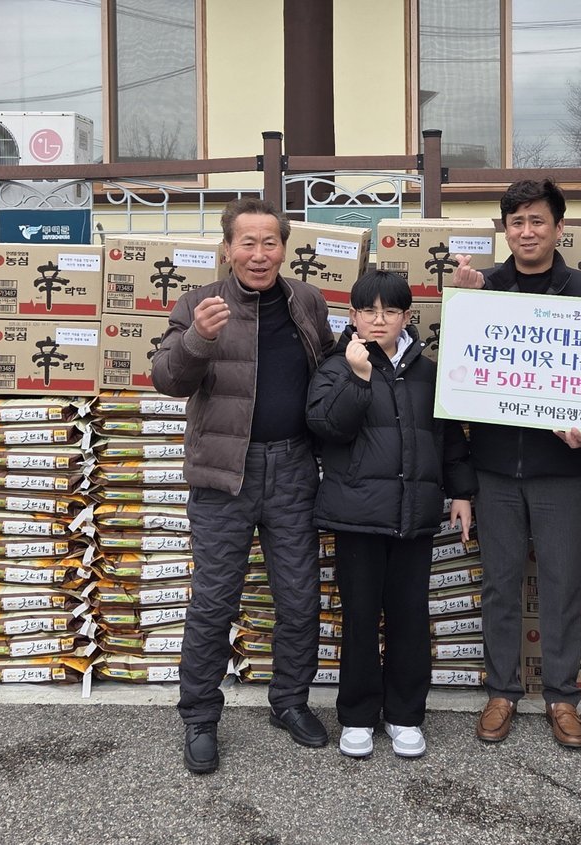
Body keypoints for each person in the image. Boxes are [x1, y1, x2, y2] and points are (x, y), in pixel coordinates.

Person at [152, 197, 336, 774]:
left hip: (294, 469)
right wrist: (197, 340)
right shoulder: (199, 304)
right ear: (227, 248)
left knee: (299, 597)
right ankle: (200, 717)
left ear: (284, 248)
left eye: (269, 242)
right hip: (223, 474)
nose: (259, 254)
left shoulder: (307, 301)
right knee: (214, 601)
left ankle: (291, 701)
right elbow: (167, 379)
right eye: (247, 243)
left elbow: (329, 370)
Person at [453, 178, 581, 749]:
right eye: (516, 222)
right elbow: (460, 379)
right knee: (499, 585)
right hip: (494, 468)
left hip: (559, 471)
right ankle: (501, 691)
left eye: (537, 220)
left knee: (562, 584)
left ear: (559, 227)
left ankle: (562, 697)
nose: (526, 231)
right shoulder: (482, 286)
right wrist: (466, 302)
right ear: (505, 230)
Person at [306, 270, 476, 759]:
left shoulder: (428, 371)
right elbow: (326, 427)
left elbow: (448, 437)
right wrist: (359, 378)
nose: (379, 320)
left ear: (407, 316)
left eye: (391, 311)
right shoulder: (336, 365)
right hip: (358, 517)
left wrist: (462, 492)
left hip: (413, 514)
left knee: (409, 616)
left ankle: (405, 715)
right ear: (353, 316)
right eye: (368, 311)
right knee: (360, 617)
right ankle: (358, 716)